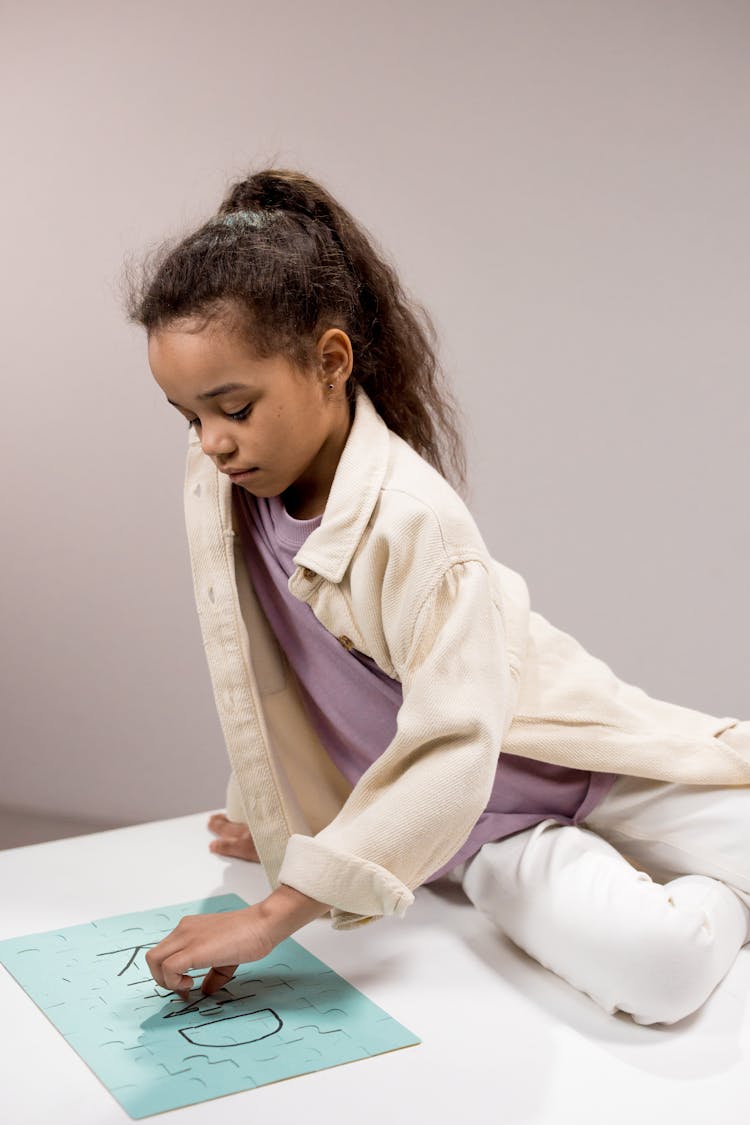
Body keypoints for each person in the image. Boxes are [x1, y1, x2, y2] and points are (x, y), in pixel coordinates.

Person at [123, 167, 750, 1027]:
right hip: (470, 829)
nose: (213, 442)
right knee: (660, 972)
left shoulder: (414, 522)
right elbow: (261, 659)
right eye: (187, 415)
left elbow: (458, 741)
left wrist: (276, 912)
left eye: (233, 406)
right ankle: (726, 892)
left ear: (331, 361)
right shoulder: (224, 482)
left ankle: (709, 860)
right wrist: (271, 809)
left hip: (569, 754)